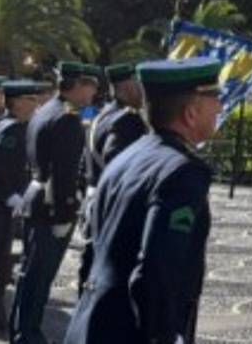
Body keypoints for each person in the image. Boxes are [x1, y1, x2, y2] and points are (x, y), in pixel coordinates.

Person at [64, 58, 221, 343]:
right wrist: (164, 336)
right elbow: (155, 273)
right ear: (190, 112)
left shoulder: (129, 156)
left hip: (93, 321)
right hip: (129, 329)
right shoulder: (183, 172)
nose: (220, 108)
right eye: (214, 98)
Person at [11, 61, 98, 344]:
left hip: (35, 196)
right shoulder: (67, 119)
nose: (93, 92)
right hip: (50, 203)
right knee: (39, 277)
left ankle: (20, 330)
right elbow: (63, 173)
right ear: (77, 85)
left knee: (29, 272)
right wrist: (63, 213)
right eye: (91, 85)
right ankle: (29, 334)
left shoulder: (46, 110)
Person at [0, 80, 43, 330]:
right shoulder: (12, 130)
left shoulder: (2, 123)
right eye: (32, 99)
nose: (36, 104)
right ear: (18, 102)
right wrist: (11, 197)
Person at [77, 63, 149, 293]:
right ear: (127, 88)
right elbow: (116, 162)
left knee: (91, 265)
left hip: (94, 198)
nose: (143, 93)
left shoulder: (103, 115)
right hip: (110, 204)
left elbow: (83, 164)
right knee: (106, 270)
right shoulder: (127, 121)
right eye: (140, 86)